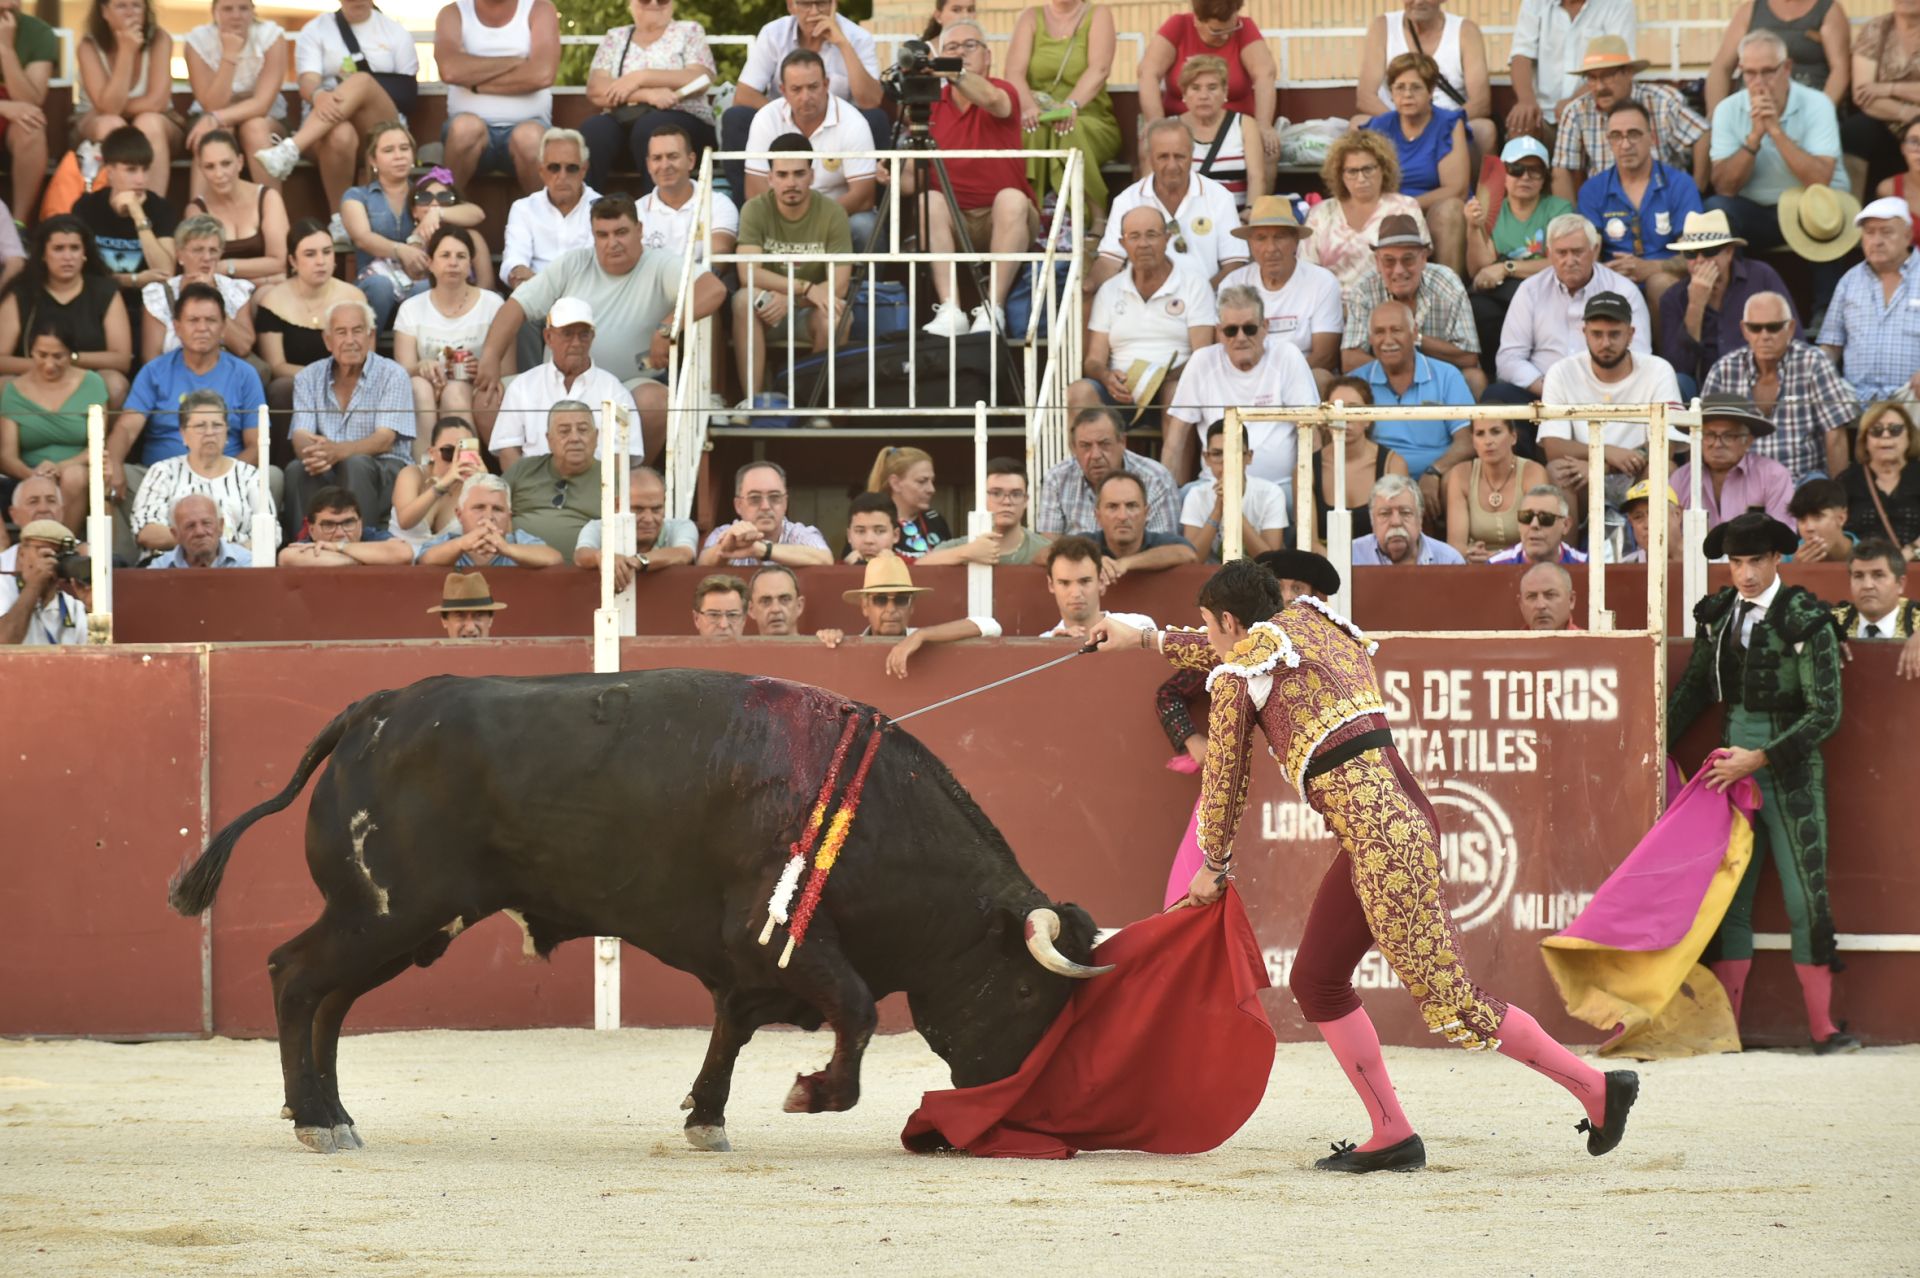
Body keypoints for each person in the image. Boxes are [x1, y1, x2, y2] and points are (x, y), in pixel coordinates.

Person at [1091, 561, 1641, 1171]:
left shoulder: (1238, 673)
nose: (1210, 642)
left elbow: (1225, 780)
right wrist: (1144, 638)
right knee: (1318, 980)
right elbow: (1237, 649)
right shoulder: (1313, 622)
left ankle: (1596, 1089)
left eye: (1209, 626)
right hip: (1395, 828)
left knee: (1454, 999)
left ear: (1227, 620)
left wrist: (1212, 864)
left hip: (1383, 844)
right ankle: (1391, 1132)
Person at [1668, 511, 1853, 1053]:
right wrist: (1651, 741)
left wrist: (1758, 759)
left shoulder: (1808, 619)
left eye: (1755, 561)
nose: (1744, 574)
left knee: (1804, 898)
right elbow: (1694, 691)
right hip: (1730, 770)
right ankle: (1729, 1034)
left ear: (1777, 559)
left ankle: (1823, 1029)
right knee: (1731, 898)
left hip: (1790, 774)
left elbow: (1826, 714)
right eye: (1735, 562)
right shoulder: (1719, 615)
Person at [483, 194, 721, 462]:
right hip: (556, 383)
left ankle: (631, 488)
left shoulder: (660, 264)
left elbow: (713, 289)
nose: (613, 243)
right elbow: (516, 306)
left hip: (626, 387)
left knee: (656, 402)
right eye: (603, 235)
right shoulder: (573, 263)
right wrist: (490, 357)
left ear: (639, 230)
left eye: (621, 232)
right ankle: (517, 491)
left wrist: (667, 327)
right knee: (486, 397)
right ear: (593, 236)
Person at [107, 282, 269, 534]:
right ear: (177, 326)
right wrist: (114, 463)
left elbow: (257, 444)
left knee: (274, 476)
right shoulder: (154, 371)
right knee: (120, 475)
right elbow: (126, 429)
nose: (202, 328)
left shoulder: (245, 374)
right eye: (193, 320)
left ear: (223, 326)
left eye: (211, 320)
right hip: (162, 478)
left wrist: (219, 475)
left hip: (226, 475)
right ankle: (124, 567)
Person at [916, 22, 1043, 338]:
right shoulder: (930, 101)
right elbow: (910, 180)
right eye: (951, 48)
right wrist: (890, 173)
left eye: (970, 45)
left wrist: (954, 72)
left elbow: (995, 102)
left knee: (1012, 198)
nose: (960, 52)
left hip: (1002, 220)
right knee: (926, 199)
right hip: (952, 222)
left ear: (988, 56)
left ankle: (992, 308)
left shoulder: (1002, 88)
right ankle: (950, 309)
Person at [1706, 29, 1852, 295]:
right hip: (1760, 212)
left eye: (1767, 71)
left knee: (1821, 209)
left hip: (1810, 207)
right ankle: (1737, 303)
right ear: (1741, 71)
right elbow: (1724, 188)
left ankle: (1825, 315)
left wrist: (1775, 131)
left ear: (1786, 68)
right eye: (1750, 73)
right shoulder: (1727, 109)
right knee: (1717, 210)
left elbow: (1819, 178)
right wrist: (1754, 138)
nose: (1759, 82)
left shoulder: (1817, 104)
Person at [259, 0, 421, 223]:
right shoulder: (316, 29)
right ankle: (340, 221)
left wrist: (359, 95)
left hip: (381, 125)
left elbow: (407, 94)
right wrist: (319, 95)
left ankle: (292, 147)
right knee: (340, 134)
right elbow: (308, 81)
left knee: (361, 81)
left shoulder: (395, 31)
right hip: (327, 125)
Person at [720, 0, 886, 206]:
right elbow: (744, 94)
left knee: (876, 119)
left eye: (821, 3)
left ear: (834, 3)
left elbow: (871, 100)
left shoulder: (857, 37)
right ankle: (747, 215)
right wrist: (787, 116)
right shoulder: (773, 33)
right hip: (782, 126)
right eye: (806, 4)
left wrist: (843, 44)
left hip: (841, 132)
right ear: (791, 5)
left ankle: (877, 218)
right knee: (736, 118)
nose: (814, 12)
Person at [728, 136, 852, 412]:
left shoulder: (833, 213)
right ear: (770, 178)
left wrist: (793, 298)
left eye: (799, 174)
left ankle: (817, 405)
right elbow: (747, 273)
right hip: (769, 309)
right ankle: (753, 402)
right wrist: (803, 288)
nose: (791, 183)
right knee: (742, 299)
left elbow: (840, 284)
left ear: (812, 175)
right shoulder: (755, 208)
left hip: (807, 312)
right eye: (782, 175)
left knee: (836, 312)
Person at [1535, 291, 1683, 506]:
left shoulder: (1658, 369)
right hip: (1583, 475)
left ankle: (1649, 540)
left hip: (1636, 473)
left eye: (1614, 334)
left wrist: (1602, 466)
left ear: (1631, 334)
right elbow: (1553, 445)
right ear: (1584, 333)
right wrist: (1606, 452)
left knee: (1663, 466)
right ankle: (1567, 542)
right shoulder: (1561, 371)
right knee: (1557, 470)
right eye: (1597, 334)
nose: (1605, 343)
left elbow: (1666, 443)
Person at [1073, 206, 1218, 425]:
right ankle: (1083, 460)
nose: (1143, 244)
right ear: (1122, 244)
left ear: (1167, 239)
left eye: (1152, 235)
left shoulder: (1194, 285)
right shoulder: (1109, 290)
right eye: (1134, 237)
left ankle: (1171, 461)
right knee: (1079, 391)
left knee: (1175, 392)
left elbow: (1203, 355)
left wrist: (1159, 380)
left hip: (1174, 388)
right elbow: (1093, 360)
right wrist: (1106, 377)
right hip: (1120, 392)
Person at [1165, 284, 1318, 489]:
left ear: (1265, 327)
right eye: (1231, 330)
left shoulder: (1287, 356)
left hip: (1279, 489)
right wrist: (1165, 495)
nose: (1240, 337)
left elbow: (1310, 431)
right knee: (1184, 504)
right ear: (1219, 332)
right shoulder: (1202, 361)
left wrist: (1310, 494)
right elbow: (1175, 440)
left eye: (1249, 328)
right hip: (1212, 486)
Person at [283, 299, 416, 532]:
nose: (350, 340)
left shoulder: (393, 374)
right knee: (298, 468)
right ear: (328, 340)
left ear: (370, 337)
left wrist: (339, 451)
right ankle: (302, 544)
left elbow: (383, 440)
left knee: (356, 464)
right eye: (341, 332)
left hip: (383, 469)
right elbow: (301, 434)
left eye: (357, 331)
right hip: (330, 466)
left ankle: (363, 543)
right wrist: (318, 453)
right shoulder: (308, 377)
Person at [1701, 290, 1857, 484]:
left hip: (1802, 485)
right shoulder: (1723, 370)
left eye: (1773, 327)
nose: (1764, 336)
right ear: (1744, 330)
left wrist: (1837, 497)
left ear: (1790, 328)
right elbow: (1703, 434)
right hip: (1742, 486)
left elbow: (1835, 436)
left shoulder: (1814, 363)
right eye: (1755, 328)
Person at [1492, 213, 1649, 400]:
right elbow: (1509, 359)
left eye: (1577, 252)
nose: (1569, 260)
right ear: (1549, 253)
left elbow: (1640, 356)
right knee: (1497, 394)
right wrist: (1550, 390)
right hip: (1543, 392)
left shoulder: (1623, 290)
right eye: (1561, 253)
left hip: (1607, 394)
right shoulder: (1530, 290)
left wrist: (1597, 391)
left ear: (1595, 250)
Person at [343, 126, 488, 329]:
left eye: (404, 148)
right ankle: (369, 351)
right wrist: (400, 250)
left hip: (417, 282)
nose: (399, 156)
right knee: (381, 285)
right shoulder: (358, 195)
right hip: (376, 284)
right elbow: (362, 237)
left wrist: (437, 212)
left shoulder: (424, 193)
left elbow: (475, 213)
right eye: (388, 150)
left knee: (427, 286)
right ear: (373, 160)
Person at [1090, 118, 1247, 293]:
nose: (1172, 165)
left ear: (1192, 155)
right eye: (1163, 157)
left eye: (1179, 156)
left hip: (1205, 309)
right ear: (1150, 158)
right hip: (1145, 309)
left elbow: (1234, 265)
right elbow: (1109, 261)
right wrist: (1087, 287)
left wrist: (1197, 300)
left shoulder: (1220, 196)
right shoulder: (1127, 200)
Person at [1577, 100, 1702, 317]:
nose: (1625, 145)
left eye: (1634, 134)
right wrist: (1608, 273)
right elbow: (1588, 257)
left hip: (1667, 279)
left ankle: (1667, 352)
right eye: (1616, 136)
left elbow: (1694, 255)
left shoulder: (1680, 184)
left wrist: (1652, 268)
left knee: (1659, 284)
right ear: (1608, 141)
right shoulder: (1593, 190)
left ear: (1651, 138)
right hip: (1613, 280)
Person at [743, 50, 877, 249]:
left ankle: (864, 282)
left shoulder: (853, 122)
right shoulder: (766, 118)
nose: (805, 97)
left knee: (865, 226)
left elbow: (864, 197)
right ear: (783, 90)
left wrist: (812, 220)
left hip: (836, 215)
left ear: (826, 85)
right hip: (780, 215)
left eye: (813, 87)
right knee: (750, 221)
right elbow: (755, 190)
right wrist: (790, 221)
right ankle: (761, 281)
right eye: (796, 89)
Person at [1550, 36, 1709, 203]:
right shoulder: (1576, 111)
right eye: (1592, 78)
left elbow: (1702, 134)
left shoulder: (1662, 100)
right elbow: (1562, 169)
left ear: (1628, 73)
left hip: (1666, 200)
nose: (1600, 87)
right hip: (1605, 206)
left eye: (1607, 76)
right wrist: (1570, 221)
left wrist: (1696, 191)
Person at [1658, 209, 1799, 397]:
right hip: (1704, 391)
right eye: (1690, 253)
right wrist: (1695, 306)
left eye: (1709, 251)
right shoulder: (1674, 297)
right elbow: (1678, 367)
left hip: (1760, 382)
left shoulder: (1761, 276)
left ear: (1729, 252)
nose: (1699, 260)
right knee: (1678, 382)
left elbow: (1794, 337)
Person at [581, 0, 717, 194]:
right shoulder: (615, 37)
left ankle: (654, 210)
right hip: (626, 120)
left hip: (683, 122)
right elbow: (596, 89)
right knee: (594, 130)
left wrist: (640, 76)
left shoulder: (689, 31)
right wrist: (647, 94)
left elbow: (701, 77)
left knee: (652, 129)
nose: (654, 3)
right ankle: (587, 210)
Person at [1339, 213, 1483, 396]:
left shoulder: (1447, 284)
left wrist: (1414, 338)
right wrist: (1397, 371)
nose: (1399, 270)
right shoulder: (1364, 290)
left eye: (1408, 259)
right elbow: (1350, 360)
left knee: (1475, 378)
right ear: (1377, 262)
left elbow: (1469, 356)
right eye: (1389, 261)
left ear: (1423, 259)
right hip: (1382, 382)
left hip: (1439, 381)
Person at [1349, 300, 1473, 506]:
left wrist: (1435, 471)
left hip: (1436, 475)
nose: (1388, 340)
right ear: (1370, 338)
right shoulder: (1357, 382)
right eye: (1379, 332)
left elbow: (1466, 440)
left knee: (1454, 481)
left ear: (1414, 333)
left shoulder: (1446, 375)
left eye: (1396, 330)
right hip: (1377, 478)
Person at [0, 218, 132, 410]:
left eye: (74, 248)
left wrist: (69, 360)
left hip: (86, 379)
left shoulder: (105, 291)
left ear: (84, 253)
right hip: (31, 378)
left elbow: (121, 359)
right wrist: (47, 365)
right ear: (44, 254)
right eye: (59, 248)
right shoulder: (21, 293)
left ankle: (100, 440)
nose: (67, 256)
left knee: (115, 384)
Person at [489, 298, 638, 466]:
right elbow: (507, 448)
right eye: (567, 334)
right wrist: (524, 487)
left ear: (592, 337)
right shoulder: (523, 386)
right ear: (548, 337)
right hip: (535, 485)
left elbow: (623, 454)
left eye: (583, 334)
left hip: (595, 486)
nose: (576, 343)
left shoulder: (614, 390)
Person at [1465, 136, 1575, 364]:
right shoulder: (1491, 209)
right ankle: (1494, 371)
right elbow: (1480, 270)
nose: (1525, 177)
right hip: (1503, 293)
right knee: (1479, 307)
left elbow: (1562, 261)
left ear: (1544, 177)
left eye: (1535, 171)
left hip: (1548, 289)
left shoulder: (1559, 208)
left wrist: (1507, 268)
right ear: (1503, 173)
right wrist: (1473, 228)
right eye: (1516, 169)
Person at [128, 390, 273, 563]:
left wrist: (226, 551)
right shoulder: (163, 472)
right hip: (170, 571)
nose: (210, 432)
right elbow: (146, 532)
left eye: (217, 425)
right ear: (183, 433)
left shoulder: (249, 475)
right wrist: (206, 543)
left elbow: (270, 534)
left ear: (227, 431)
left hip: (237, 567)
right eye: (200, 426)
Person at [1004, 0, 1119, 215]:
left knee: (1069, 131)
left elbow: (1100, 69)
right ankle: (1029, 216)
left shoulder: (1098, 13)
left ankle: (1094, 216)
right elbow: (1013, 72)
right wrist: (1029, 108)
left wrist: (1070, 106)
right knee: (1031, 132)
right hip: (1038, 115)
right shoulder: (1030, 17)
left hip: (1088, 116)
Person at [1218, 197, 1342, 394]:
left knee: (1322, 378)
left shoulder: (1322, 282)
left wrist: (1274, 383)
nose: (1271, 248)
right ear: (1250, 243)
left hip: (1301, 377)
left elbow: (1325, 357)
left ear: (1295, 241)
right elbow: (1224, 347)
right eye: (1261, 238)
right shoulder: (1233, 283)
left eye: (1280, 237)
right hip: (1245, 377)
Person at [434, 0, 559, 194]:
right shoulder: (453, 13)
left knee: (530, 137)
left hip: (530, 126)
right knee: (465, 128)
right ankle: (448, 212)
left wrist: (473, 81)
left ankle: (543, 218)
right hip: (468, 131)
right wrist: (516, 62)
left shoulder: (539, 8)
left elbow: (542, 74)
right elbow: (450, 71)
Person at [395, 228, 507, 446]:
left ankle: (468, 469)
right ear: (430, 263)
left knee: (454, 391)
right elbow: (402, 371)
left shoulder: (492, 305)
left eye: (461, 256)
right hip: (426, 389)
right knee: (418, 386)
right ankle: (426, 469)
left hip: (475, 390)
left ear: (470, 264)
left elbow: (509, 372)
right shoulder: (411, 308)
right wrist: (421, 367)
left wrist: (483, 370)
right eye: (445, 255)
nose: (453, 262)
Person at [0, 317, 111, 535]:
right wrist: (36, 475)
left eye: (58, 356)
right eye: (42, 355)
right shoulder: (14, 390)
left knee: (73, 477)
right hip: (28, 473)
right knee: (38, 490)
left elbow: (96, 446)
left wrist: (59, 468)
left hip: (77, 468)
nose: (49, 364)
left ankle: (63, 543)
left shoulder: (92, 383)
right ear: (31, 351)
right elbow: (7, 456)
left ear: (71, 354)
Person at [1136, 0, 1277, 170]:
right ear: (1197, 20)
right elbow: (1148, 72)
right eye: (1216, 31)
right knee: (1148, 147)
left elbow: (1265, 74)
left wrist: (1263, 124)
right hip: (1181, 125)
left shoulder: (1245, 27)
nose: (1225, 36)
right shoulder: (1178, 25)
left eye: (1231, 29)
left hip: (1236, 128)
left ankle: (1259, 197)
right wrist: (1155, 120)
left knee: (1269, 148)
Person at [1365, 53, 1470, 277]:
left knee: (1451, 209)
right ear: (1391, 93)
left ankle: (1450, 294)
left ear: (1430, 91)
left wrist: (1406, 206)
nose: (1407, 95)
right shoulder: (1379, 126)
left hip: (1431, 210)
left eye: (1416, 87)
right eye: (1400, 87)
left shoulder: (1448, 123)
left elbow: (1456, 190)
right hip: (1389, 211)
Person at [253, 219, 369, 415]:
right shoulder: (273, 301)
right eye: (310, 254)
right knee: (282, 388)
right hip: (297, 381)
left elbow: (365, 356)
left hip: (346, 379)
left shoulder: (354, 297)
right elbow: (276, 365)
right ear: (292, 261)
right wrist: (320, 378)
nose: (321, 261)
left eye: (327, 252)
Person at [1355, 0, 1495, 162]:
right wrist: (1401, 124)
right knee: (1357, 124)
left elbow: (1481, 102)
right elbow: (1365, 97)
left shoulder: (1466, 30)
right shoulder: (1383, 27)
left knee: (1485, 130)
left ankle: (1479, 188)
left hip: (1447, 122)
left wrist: (1439, 126)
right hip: (1394, 119)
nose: (1418, 1)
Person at [71, 0, 181, 195]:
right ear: (104, 11)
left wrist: (105, 107)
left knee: (149, 122)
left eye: (136, 5)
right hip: (96, 123)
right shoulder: (88, 46)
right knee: (111, 124)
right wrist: (127, 51)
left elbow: (157, 103)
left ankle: (152, 212)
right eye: (121, 6)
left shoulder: (159, 38)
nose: (130, 12)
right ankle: (117, 209)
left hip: (159, 121)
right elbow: (110, 111)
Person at [1818, 197, 1920, 405]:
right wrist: (1820, 377)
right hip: (1855, 396)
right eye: (1869, 232)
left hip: (1911, 395)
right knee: (1817, 398)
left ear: (1908, 235)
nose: (1876, 241)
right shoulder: (1849, 280)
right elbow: (1831, 345)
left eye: (1886, 232)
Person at [1303, 131, 1429, 290]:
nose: (1361, 179)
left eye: (1368, 169)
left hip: (1390, 304)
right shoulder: (1320, 213)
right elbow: (1307, 271)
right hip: (1331, 306)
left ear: (1383, 169)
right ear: (1340, 174)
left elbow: (1419, 264)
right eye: (1352, 171)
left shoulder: (1405, 207)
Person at [182, 0, 289, 187]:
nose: (236, 15)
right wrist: (229, 55)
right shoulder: (197, 40)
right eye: (228, 8)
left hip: (266, 117)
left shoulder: (272, 36)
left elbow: (262, 104)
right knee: (217, 133)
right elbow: (212, 105)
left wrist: (216, 117)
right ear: (214, 12)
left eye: (243, 8)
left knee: (255, 127)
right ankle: (199, 213)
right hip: (211, 115)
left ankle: (273, 209)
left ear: (253, 10)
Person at [1036, 406, 1180, 536]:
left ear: (1122, 442)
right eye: (1085, 446)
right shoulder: (1057, 478)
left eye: (1104, 444)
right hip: (1077, 563)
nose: (1096, 455)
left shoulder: (1156, 478)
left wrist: (1121, 565)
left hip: (1138, 564)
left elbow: (1164, 548)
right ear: (1074, 448)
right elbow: (1050, 547)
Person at [1505, 0, 1638, 137]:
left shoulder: (1619, 4)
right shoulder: (1534, 3)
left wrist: (1573, 104)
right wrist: (1526, 101)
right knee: (1520, 127)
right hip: (1542, 116)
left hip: (1593, 114)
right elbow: (1521, 55)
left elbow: (1618, 64)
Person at [1669, 393, 1798, 532]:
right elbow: (1666, 536)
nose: (1717, 444)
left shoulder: (1773, 476)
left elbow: (1782, 538)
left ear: (1748, 441)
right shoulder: (1680, 479)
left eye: (1728, 436)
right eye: (1709, 435)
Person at [1309, 376, 1411, 549]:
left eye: (1353, 409)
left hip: (1378, 563)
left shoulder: (1393, 464)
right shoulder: (1307, 468)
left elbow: (1398, 530)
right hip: (1325, 568)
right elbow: (1309, 540)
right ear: (1325, 420)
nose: (1344, 417)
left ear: (1368, 418)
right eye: (1335, 409)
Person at [138, 214, 255, 362]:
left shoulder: (235, 290)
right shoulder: (158, 295)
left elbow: (243, 347)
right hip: (174, 380)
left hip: (224, 381)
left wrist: (213, 297)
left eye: (213, 250)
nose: (206, 257)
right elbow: (151, 358)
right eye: (198, 250)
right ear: (179, 254)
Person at [70, 125, 177, 287]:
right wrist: (134, 280)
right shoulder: (86, 207)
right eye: (131, 170)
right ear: (109, 171)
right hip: (97, 303)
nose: (141, 179)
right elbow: (80, 275)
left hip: (146, 305)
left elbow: (166, 272)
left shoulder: (161, 208)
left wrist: (138, 214)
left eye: (145, 169)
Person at [1707, 0, 1853, 112]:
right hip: (1751, 107)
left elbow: (1840, 70)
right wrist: (1715, 115)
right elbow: (1721, 67)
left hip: (1807, 108)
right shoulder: (1752, 9)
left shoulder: (1828, 10)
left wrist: (1821, 113)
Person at [183, 130, 288, 284]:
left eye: (226, 164)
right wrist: (264, 278)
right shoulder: (196, 210)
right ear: (201, 169)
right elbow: (201, 271)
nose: (219, 174)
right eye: (210, 167)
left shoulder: (267, 198)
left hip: (268, 293)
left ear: (240, 162)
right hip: (221, 295)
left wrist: (227, 266)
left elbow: (280, 262)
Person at [502, 129, 600, 292]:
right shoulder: (523, 208)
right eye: (554, 167)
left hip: (584, 297)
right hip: (533, 297)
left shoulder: (601, 208)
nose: (562, 176)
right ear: (541, 170)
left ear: (584, 170)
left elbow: (594, 270)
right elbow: (514, 262)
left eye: (572, 168)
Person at [1180, 417, 1289, 562]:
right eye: (1217, 454)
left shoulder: (1271, 494)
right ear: (1206, 458)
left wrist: (1233, 508)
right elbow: (1193, 560)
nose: (1226, 461)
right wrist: (1218, 510)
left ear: (1249, 457)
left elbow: (1270, 562)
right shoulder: (1196, 495)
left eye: (1234, 453)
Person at [573, 463, 697, 590]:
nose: (648, 519)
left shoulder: (682, 526)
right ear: (617, 505)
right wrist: (602, 556)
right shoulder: (598, 527)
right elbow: (581, 555)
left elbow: (683, 554)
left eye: (656, 509)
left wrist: (639, 561)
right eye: (638, 509)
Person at [1445, 417, 1549, 562]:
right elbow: (1456, 547)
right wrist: (1471, 553)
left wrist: (1496, 558)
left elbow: (1541, 541)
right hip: (1476, 567)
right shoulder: (1461, 474)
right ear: (1473, 441)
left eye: (1496, 432)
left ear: (1513, 437)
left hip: (1524, 566)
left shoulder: (1533, 472)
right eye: (1480, 434)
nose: (1488, 441)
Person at [504, 401, 600, 559]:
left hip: (586, 575)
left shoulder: (612, 479)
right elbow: (490, 507)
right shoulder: (523, 469)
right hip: (517, 569)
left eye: (583, 430)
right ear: (549, 439)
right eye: (564, 431)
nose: (575, 438)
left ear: (596, 436)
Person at [698, 460, 832, 567]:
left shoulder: (799, 533)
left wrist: (762, 550)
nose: (765, 507)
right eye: (755, 498)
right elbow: (703, 563)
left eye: (774, 497)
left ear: (785, 503)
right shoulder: (726, 533)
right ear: (738, 505)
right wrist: (726, 549)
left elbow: (825, 558)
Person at [635, 124, 738, 264]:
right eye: (657, 158)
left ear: (691, 161)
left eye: (672, 156)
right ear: (648, 165)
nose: (665, 166)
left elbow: (718, 261)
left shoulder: (718, 204)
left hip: (704, 284)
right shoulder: (636, 211)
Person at [415, 472, 561, 569]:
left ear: (509, 516)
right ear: (459, 515)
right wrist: (462, 544)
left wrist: (507, 549)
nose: (489, 516)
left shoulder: (518, 541)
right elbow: (425, 560)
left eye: (497, 509)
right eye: (479, 507)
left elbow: (554, 558)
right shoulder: (448, 542)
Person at [1176, 55, 1265, 208]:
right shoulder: (1170, 128)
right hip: (1186, 220)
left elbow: (1256, 177)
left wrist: (1250, 212)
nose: (1203, 96)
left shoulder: (1244, 124)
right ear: (1184, 94)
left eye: (1212, 88)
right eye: (1195, 88)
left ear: (1225, 92)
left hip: (1235, 219)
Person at [1852, 1, 1920, 192]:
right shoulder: (1876, 29)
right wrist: (1907, 112)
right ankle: (1851, 209)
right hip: (1887, 120)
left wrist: (1889, 88)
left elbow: (1875, 91)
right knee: (1855, 131)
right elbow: (1863, 94)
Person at [0, 0, 58, 220]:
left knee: (31, 127)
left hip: (14, 122)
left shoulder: (39, 32)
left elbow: (31, 100)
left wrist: (5, 49)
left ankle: (18, 226)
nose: (10, 3)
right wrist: (4, 107)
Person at [1840, 400, 1920, 559]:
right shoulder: (1847, 481)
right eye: (1876, 431)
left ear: (1909, 435)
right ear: (1865, 440)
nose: (1885, 435)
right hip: (1864, 572)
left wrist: (1911, 552)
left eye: (1895, 429)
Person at [388, 418, 483, 551]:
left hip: (447, 565)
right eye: (449, 452)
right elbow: (405, 521)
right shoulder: (412, 474)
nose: (456, 461)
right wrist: (441, 486)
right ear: (432, 453)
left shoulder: (475, 484)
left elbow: (501, 534)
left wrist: (486, 482)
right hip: (400, 559)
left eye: (463, 453)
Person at [1090, 470, 1198, 583]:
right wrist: (1093, 561)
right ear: (1098, 516)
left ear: (1146, 513)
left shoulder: (1159, 542)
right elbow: (1069, 552)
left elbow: (1188, 554)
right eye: (1112, 507)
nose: (1122, 516)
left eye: (1131, 506)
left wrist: (1126, 563)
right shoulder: (1086, 544)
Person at [1834, 539, 1920, 674]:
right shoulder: (1832, 623)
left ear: (1901, 584)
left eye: (1878, 575)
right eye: (1858, 576)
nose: (1867, 585)